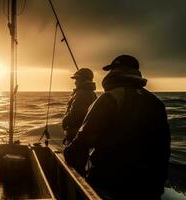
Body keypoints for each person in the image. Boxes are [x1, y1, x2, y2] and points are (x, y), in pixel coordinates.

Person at [64, 55, 171, 199]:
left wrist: (69, 155)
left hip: (111, 184)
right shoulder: (156, 102)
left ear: (115, 71)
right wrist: (157, 185)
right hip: (149, 187)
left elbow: (84, 140)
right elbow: (164, 148)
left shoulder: (110, 98)